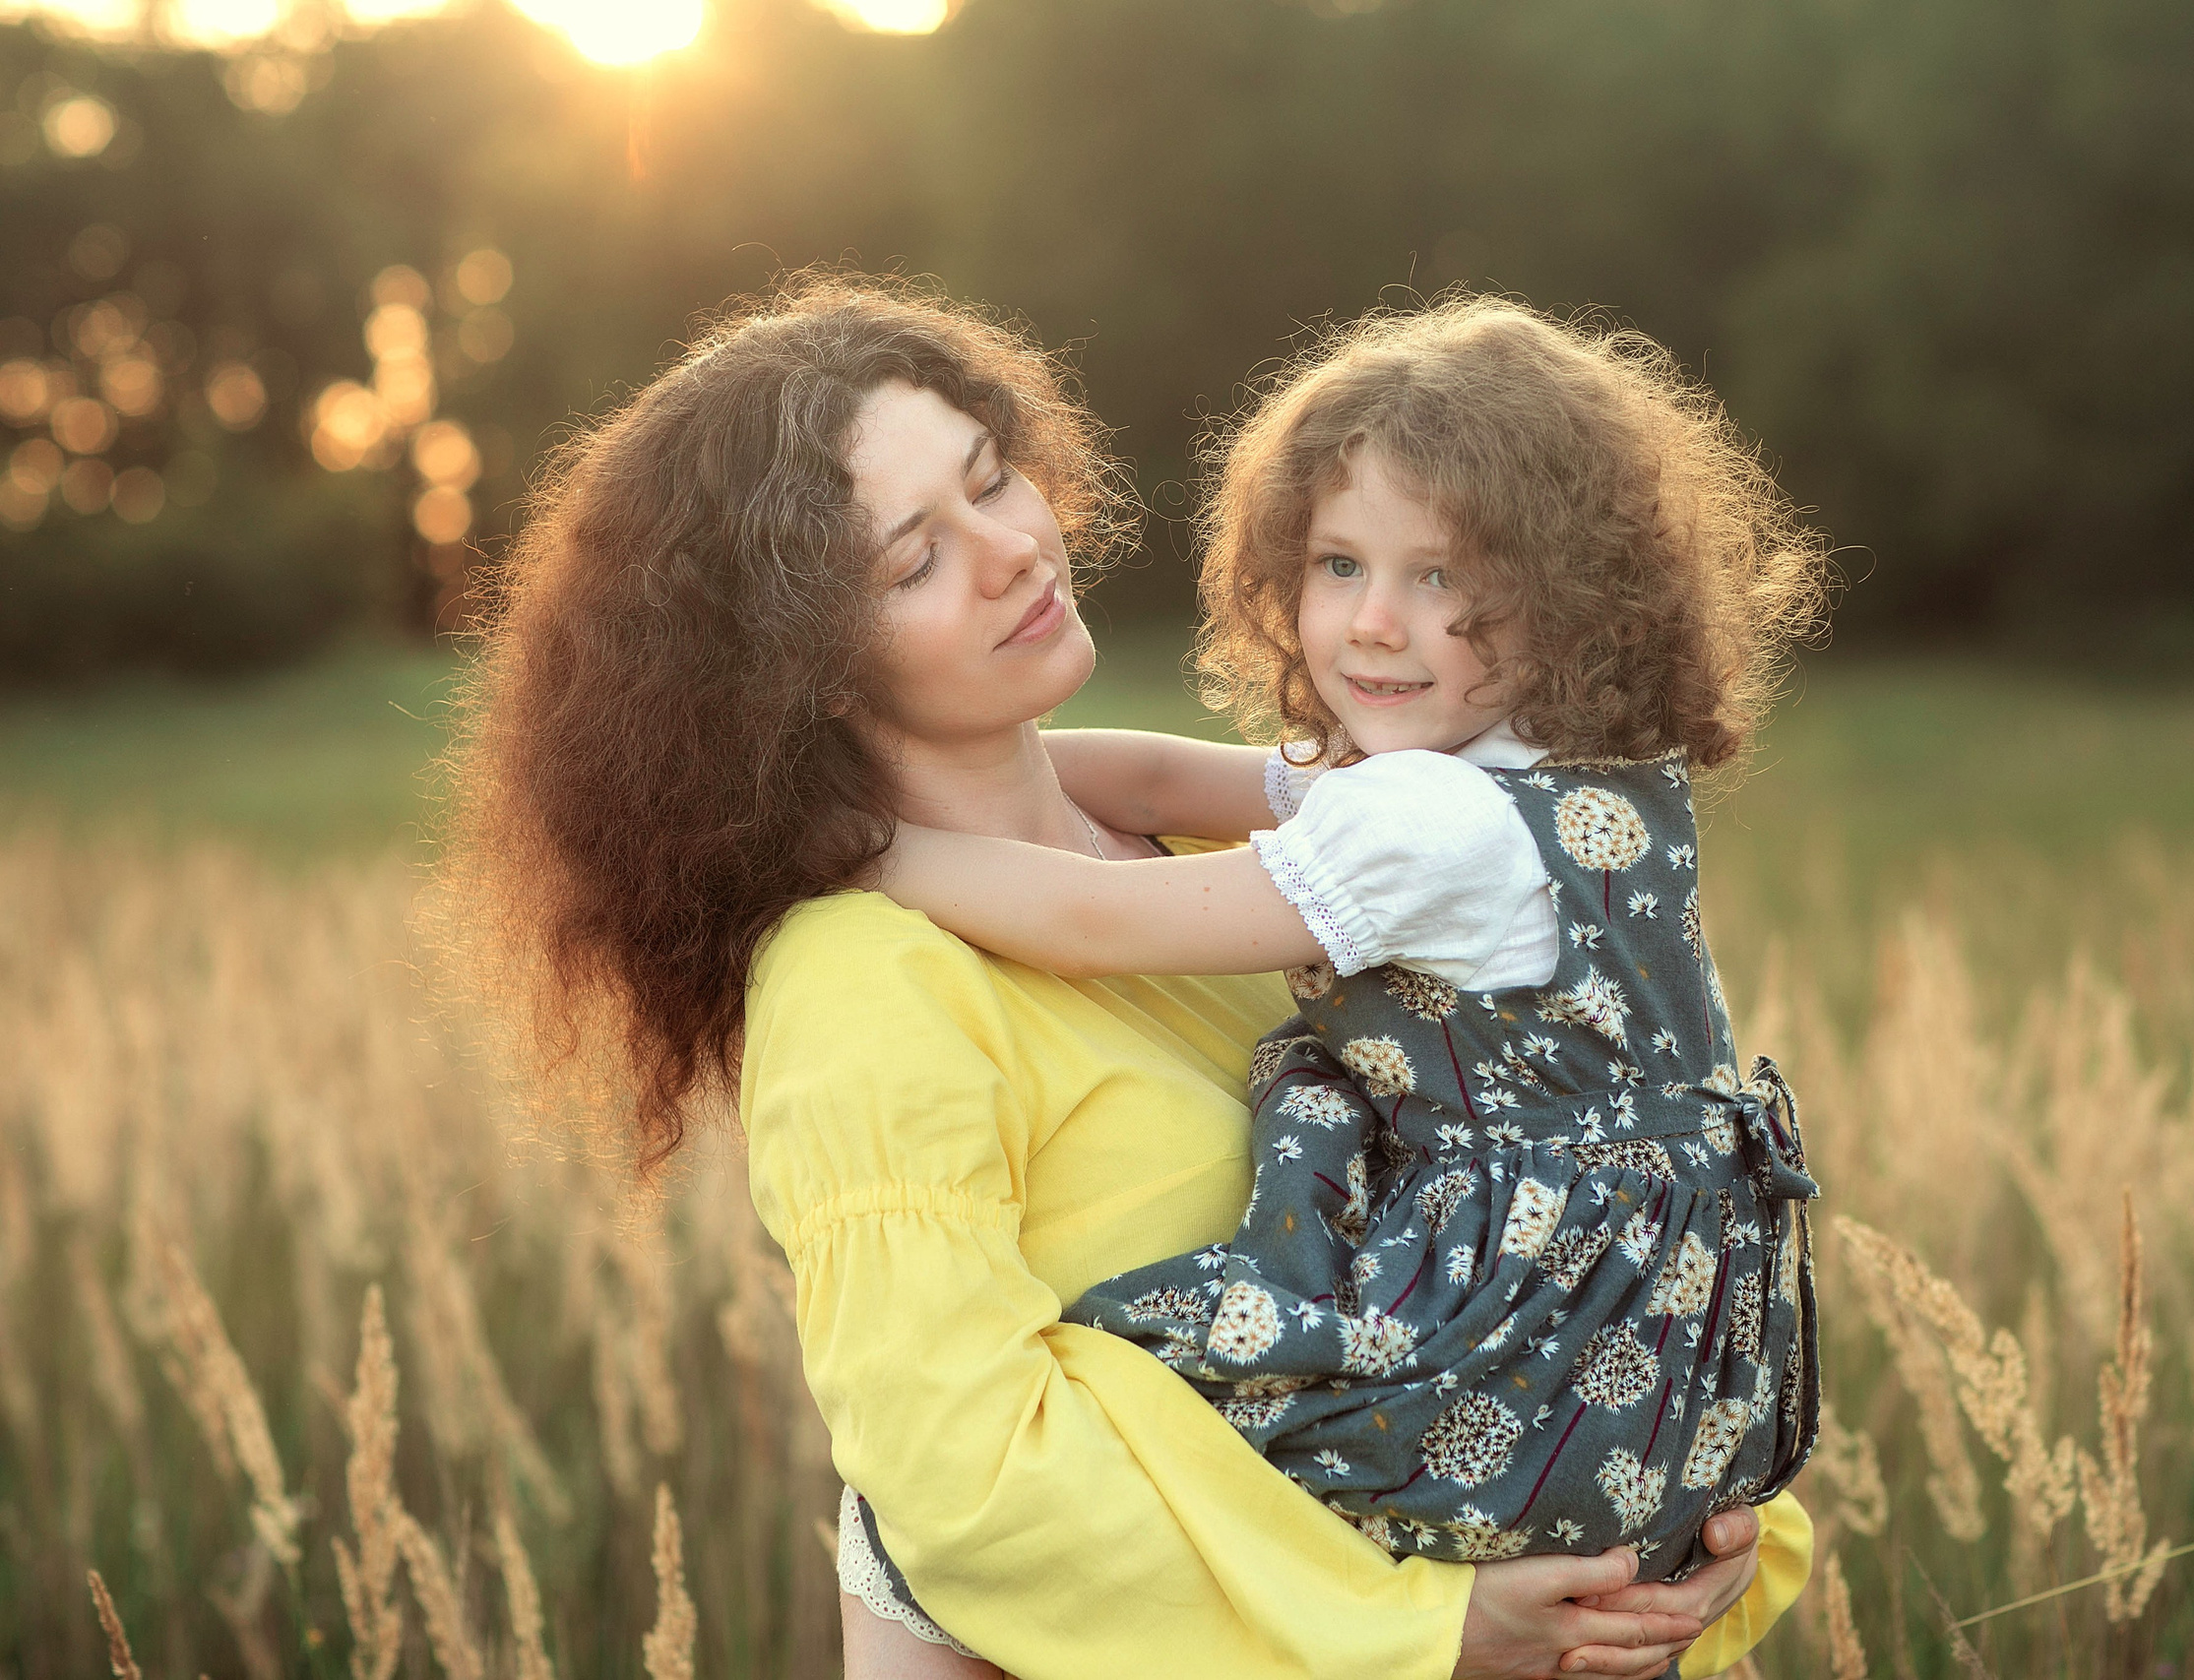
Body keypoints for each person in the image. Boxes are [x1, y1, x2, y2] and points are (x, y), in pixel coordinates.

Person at [446, 274, 1810, 1680]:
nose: (1013, 552)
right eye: (911, 560)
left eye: (994, 479)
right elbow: (963, 1487)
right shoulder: (865, 974)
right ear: (796, 676)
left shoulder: (1195, 847)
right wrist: (1434, 1633)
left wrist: (1662, 1530)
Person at [858, 299, 1830, 1673]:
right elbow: (1153, 779)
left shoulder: (1431, 825)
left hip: (1524, 1356)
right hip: (1660, 1375)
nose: (1376, 624)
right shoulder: (1525, 771)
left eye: (1446, 578)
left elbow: (1091, 915)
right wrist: (981, 759)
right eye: (1337, 562)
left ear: (1576, 595)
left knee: (1111, 1432)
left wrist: (862, 846)